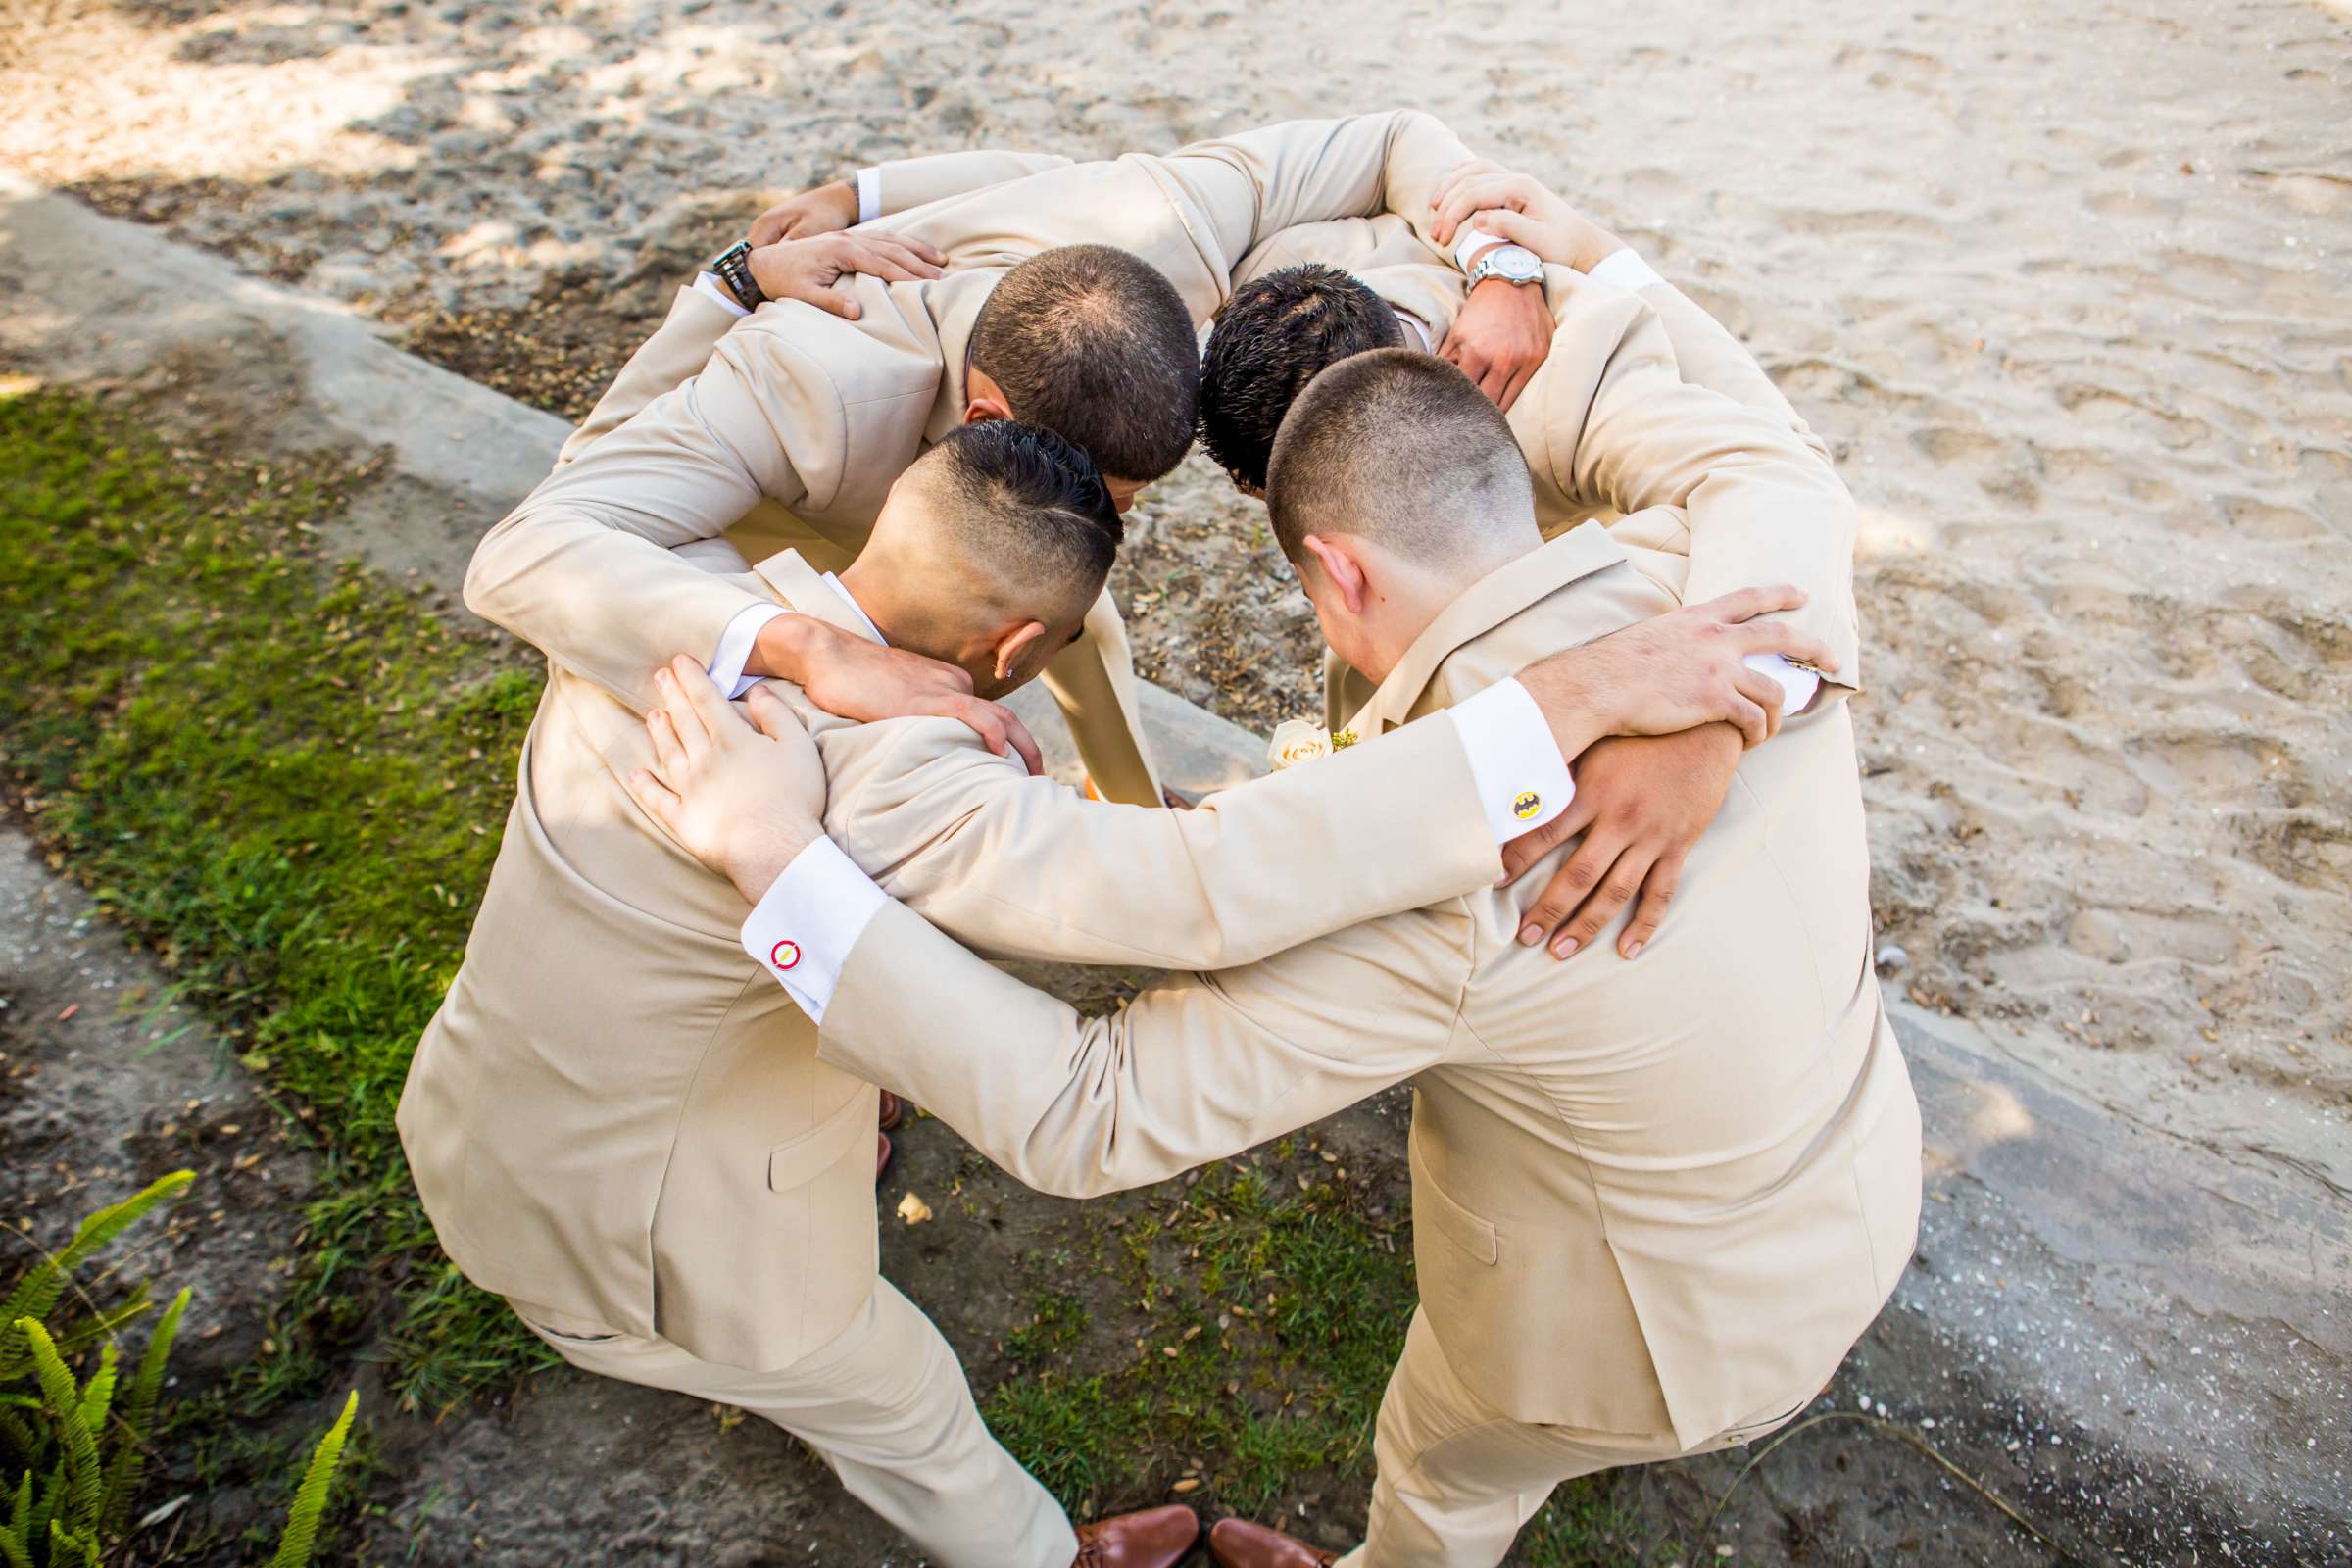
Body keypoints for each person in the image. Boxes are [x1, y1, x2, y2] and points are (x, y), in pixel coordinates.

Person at [401, 406, 1815, 1566]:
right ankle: (1038, 1558)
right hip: (629, 1233)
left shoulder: (693, 608)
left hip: (479, 1094)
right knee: (886, 1394)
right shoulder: (865, 776)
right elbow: (1188, 905)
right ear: (1015, 654)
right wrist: (1576, 708)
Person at [463, 111, 1511, 810]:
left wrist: (1498, 267)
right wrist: (804, 647)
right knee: (791, 763)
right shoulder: (802, 381)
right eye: (1109, 498)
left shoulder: (1168, 221)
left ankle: (1129, 806)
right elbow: (537, 540)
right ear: (986, 414)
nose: (1114, 529)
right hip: (750, 540)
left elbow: (1390, 136)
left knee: (1074, 611)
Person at [1197, 166, 1862, 966]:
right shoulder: (1290, 273)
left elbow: (1786, 481)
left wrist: (1705, 731)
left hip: (1636, 562)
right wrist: (1503, 261)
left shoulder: (1579, 382)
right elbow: (1399, 138)